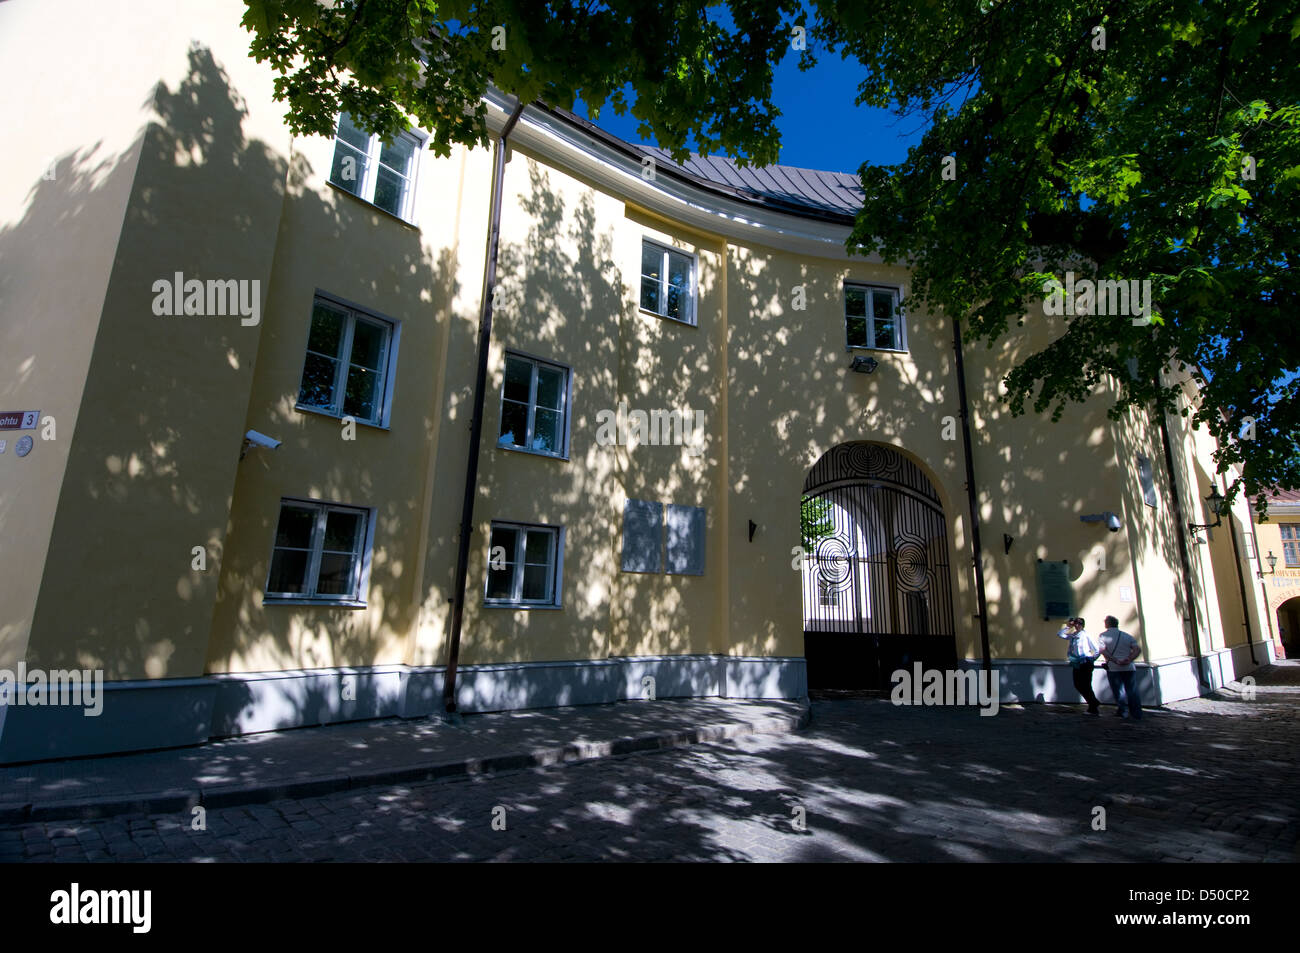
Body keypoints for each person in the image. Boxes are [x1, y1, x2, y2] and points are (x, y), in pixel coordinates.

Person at [1097, 615, 1143, 720]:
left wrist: (1115, 660)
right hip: (1129, 667)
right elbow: (1137, 649)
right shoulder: (1127, 636)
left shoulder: (1103, 636)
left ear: (1107, 623)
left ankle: (1122, 711)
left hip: (1114, 667)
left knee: (1118, 691)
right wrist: (1129, 659)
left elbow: (1103, 651)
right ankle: (1136, 713)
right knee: (1132, 690)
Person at [1058, 617, 1101, 714]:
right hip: (1076, 662)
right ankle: (1093, 702)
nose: (1077, 625)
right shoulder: (1073, 635)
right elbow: (1060, 634)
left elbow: (1097, 649)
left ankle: (1093, 707)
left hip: (1086, 662)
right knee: (1078, 684)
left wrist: (1092, 659)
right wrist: (1068, 626)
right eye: (1076, 623)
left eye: (1079, 624)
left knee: (1086, 685)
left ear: (1082, 625)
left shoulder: (1086, 635)